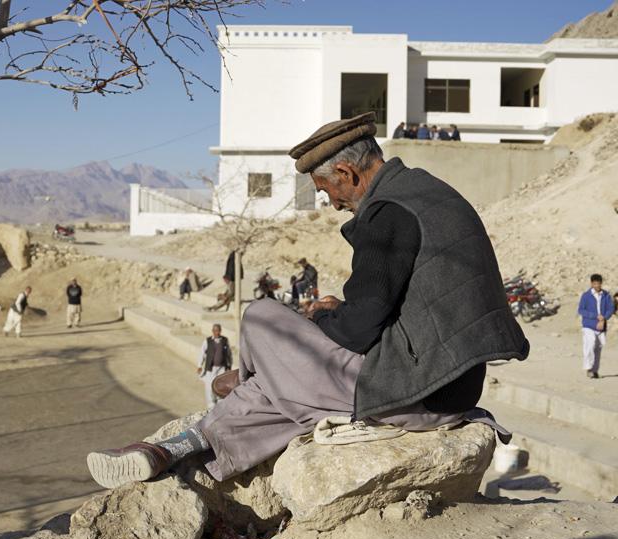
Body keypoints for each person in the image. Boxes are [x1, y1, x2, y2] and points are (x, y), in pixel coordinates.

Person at [86, 112, 527, 489]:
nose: (329, 201)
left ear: (347, 175)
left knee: (261, 315)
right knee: (288, 387)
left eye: (324, 189)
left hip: (413, 390)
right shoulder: (424, 192)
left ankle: (238, 392)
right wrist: (336, 313)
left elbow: (358, 329)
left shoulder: (386, 212)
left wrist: (317, 323)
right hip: (447, 388)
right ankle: (169, 452)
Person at [578, 274, 613, 379]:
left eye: (598, 283)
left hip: (601, 326)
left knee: (598, 347)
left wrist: (603, 318)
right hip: (588, 325)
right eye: (595, 283)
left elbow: (610, 309)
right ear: (592, 283)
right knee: (590, 344)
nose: (597, 285)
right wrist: (595, 316)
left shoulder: (606, 295)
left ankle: (594, 370)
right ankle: (588, 368)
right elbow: (581, 310)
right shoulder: (586, 295)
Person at [196, 324, 232, 409]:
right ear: (212, 331)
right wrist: (199, 365)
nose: (217, 332)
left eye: (218, 330)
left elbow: (229, 354)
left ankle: (220, 404)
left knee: (221, 386)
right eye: (215, 331)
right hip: (211, 369)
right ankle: (211, 405)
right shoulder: (207, 341)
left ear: (220, 331)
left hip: (222, 368)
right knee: (209, 386)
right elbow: (202, 354)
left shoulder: (224, 340)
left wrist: (229, 366)